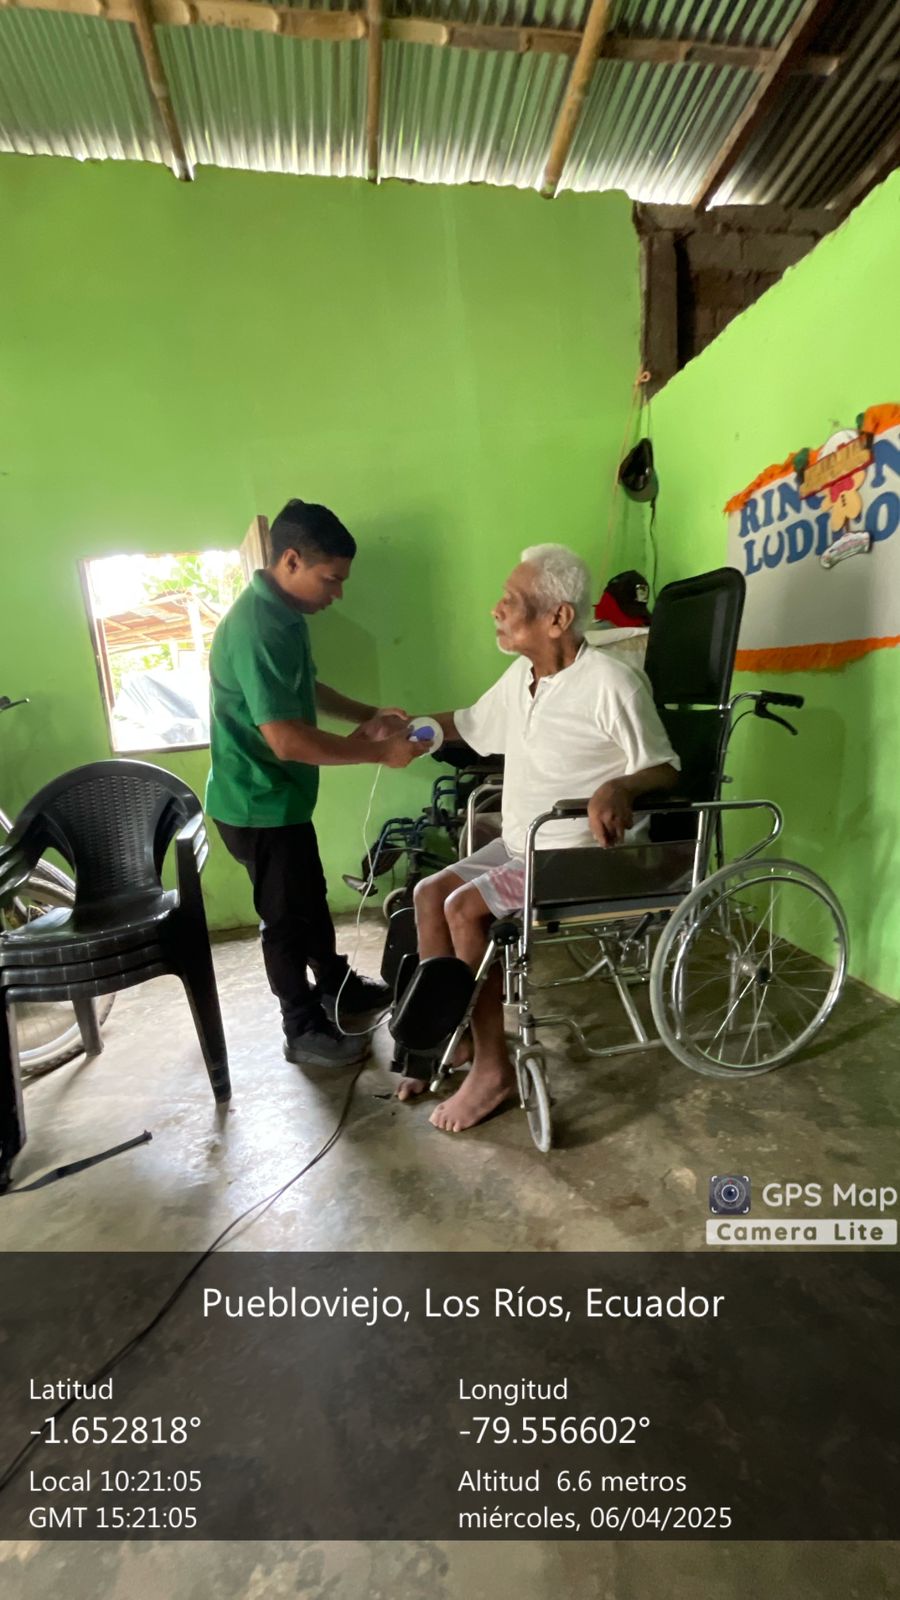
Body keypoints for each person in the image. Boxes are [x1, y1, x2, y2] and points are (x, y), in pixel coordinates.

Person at [398, 544, 679, 1132]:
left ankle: (492, 1070)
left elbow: (665, 767)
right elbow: (469, 724)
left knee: (463, 908)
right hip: (522, 844)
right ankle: (450, 1038)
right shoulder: (522, 678)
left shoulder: (612, 684)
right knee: (428, 894)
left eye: (511, 600)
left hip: (576, 855)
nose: (496, 610)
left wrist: (621, 787)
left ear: (558, 618)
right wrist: (406, 732)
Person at [206, 499, 425, 1068]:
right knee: (284, 920)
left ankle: (336, 986)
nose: (339, 593)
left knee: (309, 899)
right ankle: (300, 1026)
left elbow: (306, 688)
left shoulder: (285, 615)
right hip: (255, 803)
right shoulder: (257, 627)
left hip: (281, 797)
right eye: (331, 579)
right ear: (291, 561)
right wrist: (378, 752)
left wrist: (369, 714)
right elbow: (286, 740)